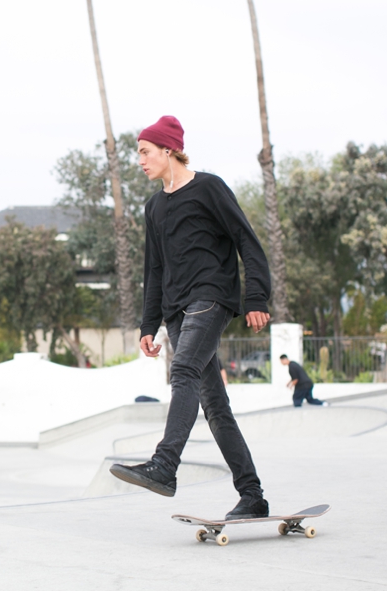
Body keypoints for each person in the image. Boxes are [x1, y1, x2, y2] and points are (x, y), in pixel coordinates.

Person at [109, 116, 272, 520]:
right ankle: (252, 495)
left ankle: (165, 465)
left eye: (146, 153)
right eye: (139, 154)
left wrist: (256, 296)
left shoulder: (209, 188)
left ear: (168, 150)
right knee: (215, 406)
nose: (141, 162)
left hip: (212, 298)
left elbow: (245, 240)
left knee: (182, 372)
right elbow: (155, 270)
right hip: (177, 311)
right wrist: (150, 325)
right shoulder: (154, 206)